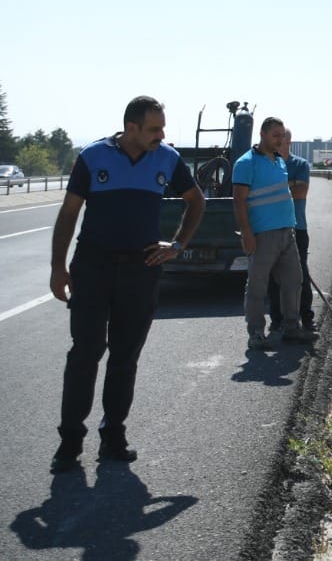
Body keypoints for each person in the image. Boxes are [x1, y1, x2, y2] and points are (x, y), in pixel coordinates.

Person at [48, 96, 207, 474]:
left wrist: (178, 244)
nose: (162, 135)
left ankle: (113, 436)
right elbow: (69, 214)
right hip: (93, 266)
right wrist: (58, 267)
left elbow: (195, 201)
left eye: (162, 128)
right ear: (131, 127)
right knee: (85, 353)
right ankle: (70, 442)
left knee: (125, 356)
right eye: (155, 129)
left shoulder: (167, 158)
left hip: (141, 268)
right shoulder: (93, 157)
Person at [233, 117, 311, 350]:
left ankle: (291, 327)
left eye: (283, 136)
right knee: (258, 285)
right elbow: (239, 200)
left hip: (287, 232)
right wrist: (247, 232)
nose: (281, 140)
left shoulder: (279, 161)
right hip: (262, 234)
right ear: (262, 134)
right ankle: (256, 333)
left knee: (293, 281)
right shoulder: (246, 163)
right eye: (276, 136)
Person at [266, 126, 314, 333]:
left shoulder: (300, 164)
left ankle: (306, 318)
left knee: (301, 275)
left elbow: (301, 192)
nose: (278, 144)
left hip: (297, 228)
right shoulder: (267, 165)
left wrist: (273, 190)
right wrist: (289, 185)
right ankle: (277, 320)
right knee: (273, 277)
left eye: (282, 140)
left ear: (289, 142)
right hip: (270, 227)